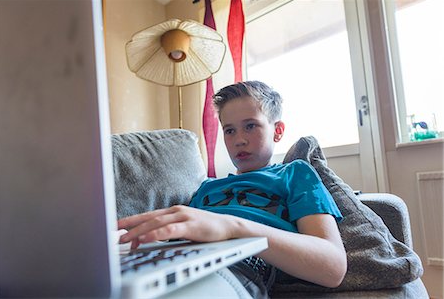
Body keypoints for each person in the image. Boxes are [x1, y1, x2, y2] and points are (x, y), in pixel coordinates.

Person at [118, 81, 347, 297]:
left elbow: (332, 266)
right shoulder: (207, 187)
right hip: (182, 258)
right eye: (229, 130)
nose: (239, 140)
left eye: (250, 126)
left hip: (243, 265)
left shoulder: (295, 173)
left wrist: (232, 226)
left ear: (277, 131)